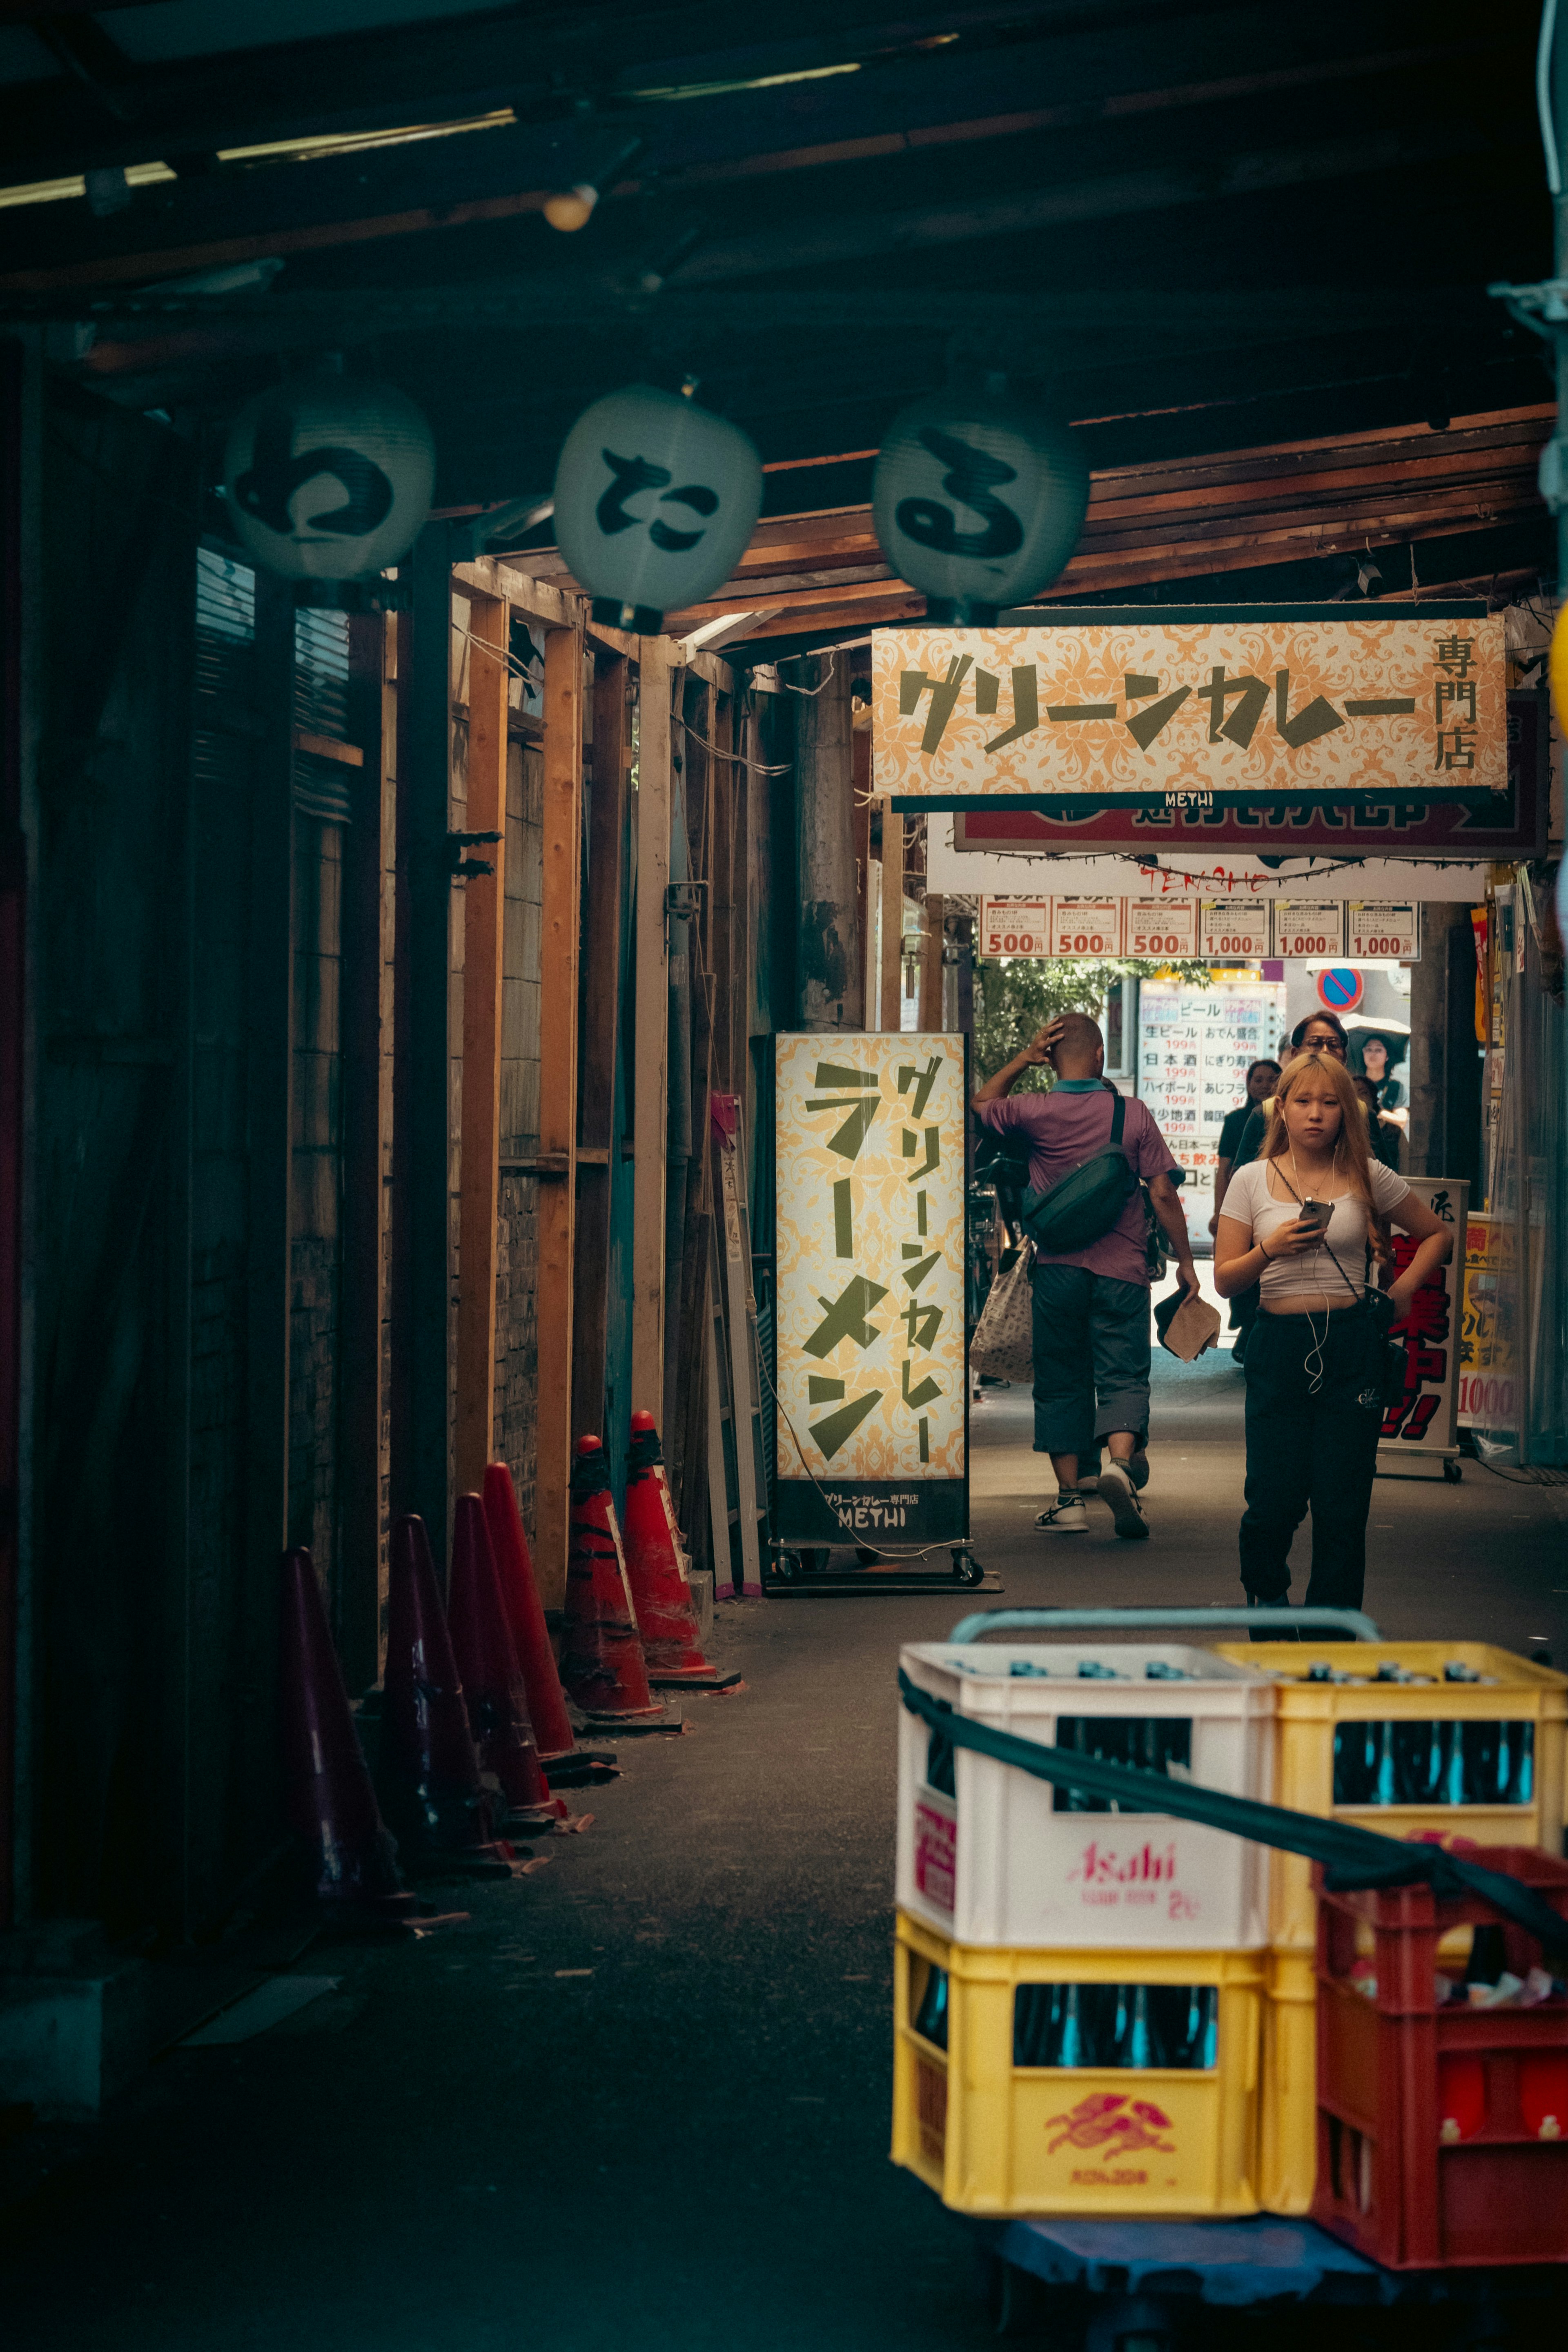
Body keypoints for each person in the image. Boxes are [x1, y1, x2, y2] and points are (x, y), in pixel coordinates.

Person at [1214, 1051, 1452, 1616]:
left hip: (1350, 1343)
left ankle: (1333, 1636)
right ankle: (1267, 1593)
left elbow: (1437, 1234)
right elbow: (1225, 1281)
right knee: (1273, 1501)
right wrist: (1271, 1249)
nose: (1315, 1115)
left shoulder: (1369, 1175)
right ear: (1282, 1111)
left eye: (1328, 1103)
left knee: (1343, 1505)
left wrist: (1402, 1292)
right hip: (1278, 1343)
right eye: (1302, 1102)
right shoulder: (1251, 1180)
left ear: (1347, 1111)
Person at [971, 1011, 1200, 1541]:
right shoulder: (1132, 1114)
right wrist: (1186, 1263)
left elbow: (981, 1105)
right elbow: (1163, 1193)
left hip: (1057, 1270)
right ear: (1101, 1057)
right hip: (1123, 1270)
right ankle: (1119, 1466)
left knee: (1062, 1379)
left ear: (1051, 1059)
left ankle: (1069, 1501)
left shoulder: (1032, 1111)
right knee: (1123, 1372)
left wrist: (1023, 1059)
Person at [1352, 1074, 1401, 1170]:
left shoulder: (1393, 1132)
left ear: (1373, 1097)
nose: (1357, 1098)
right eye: (1352, 1094)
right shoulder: (1340, 1131)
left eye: (1363, 1093)